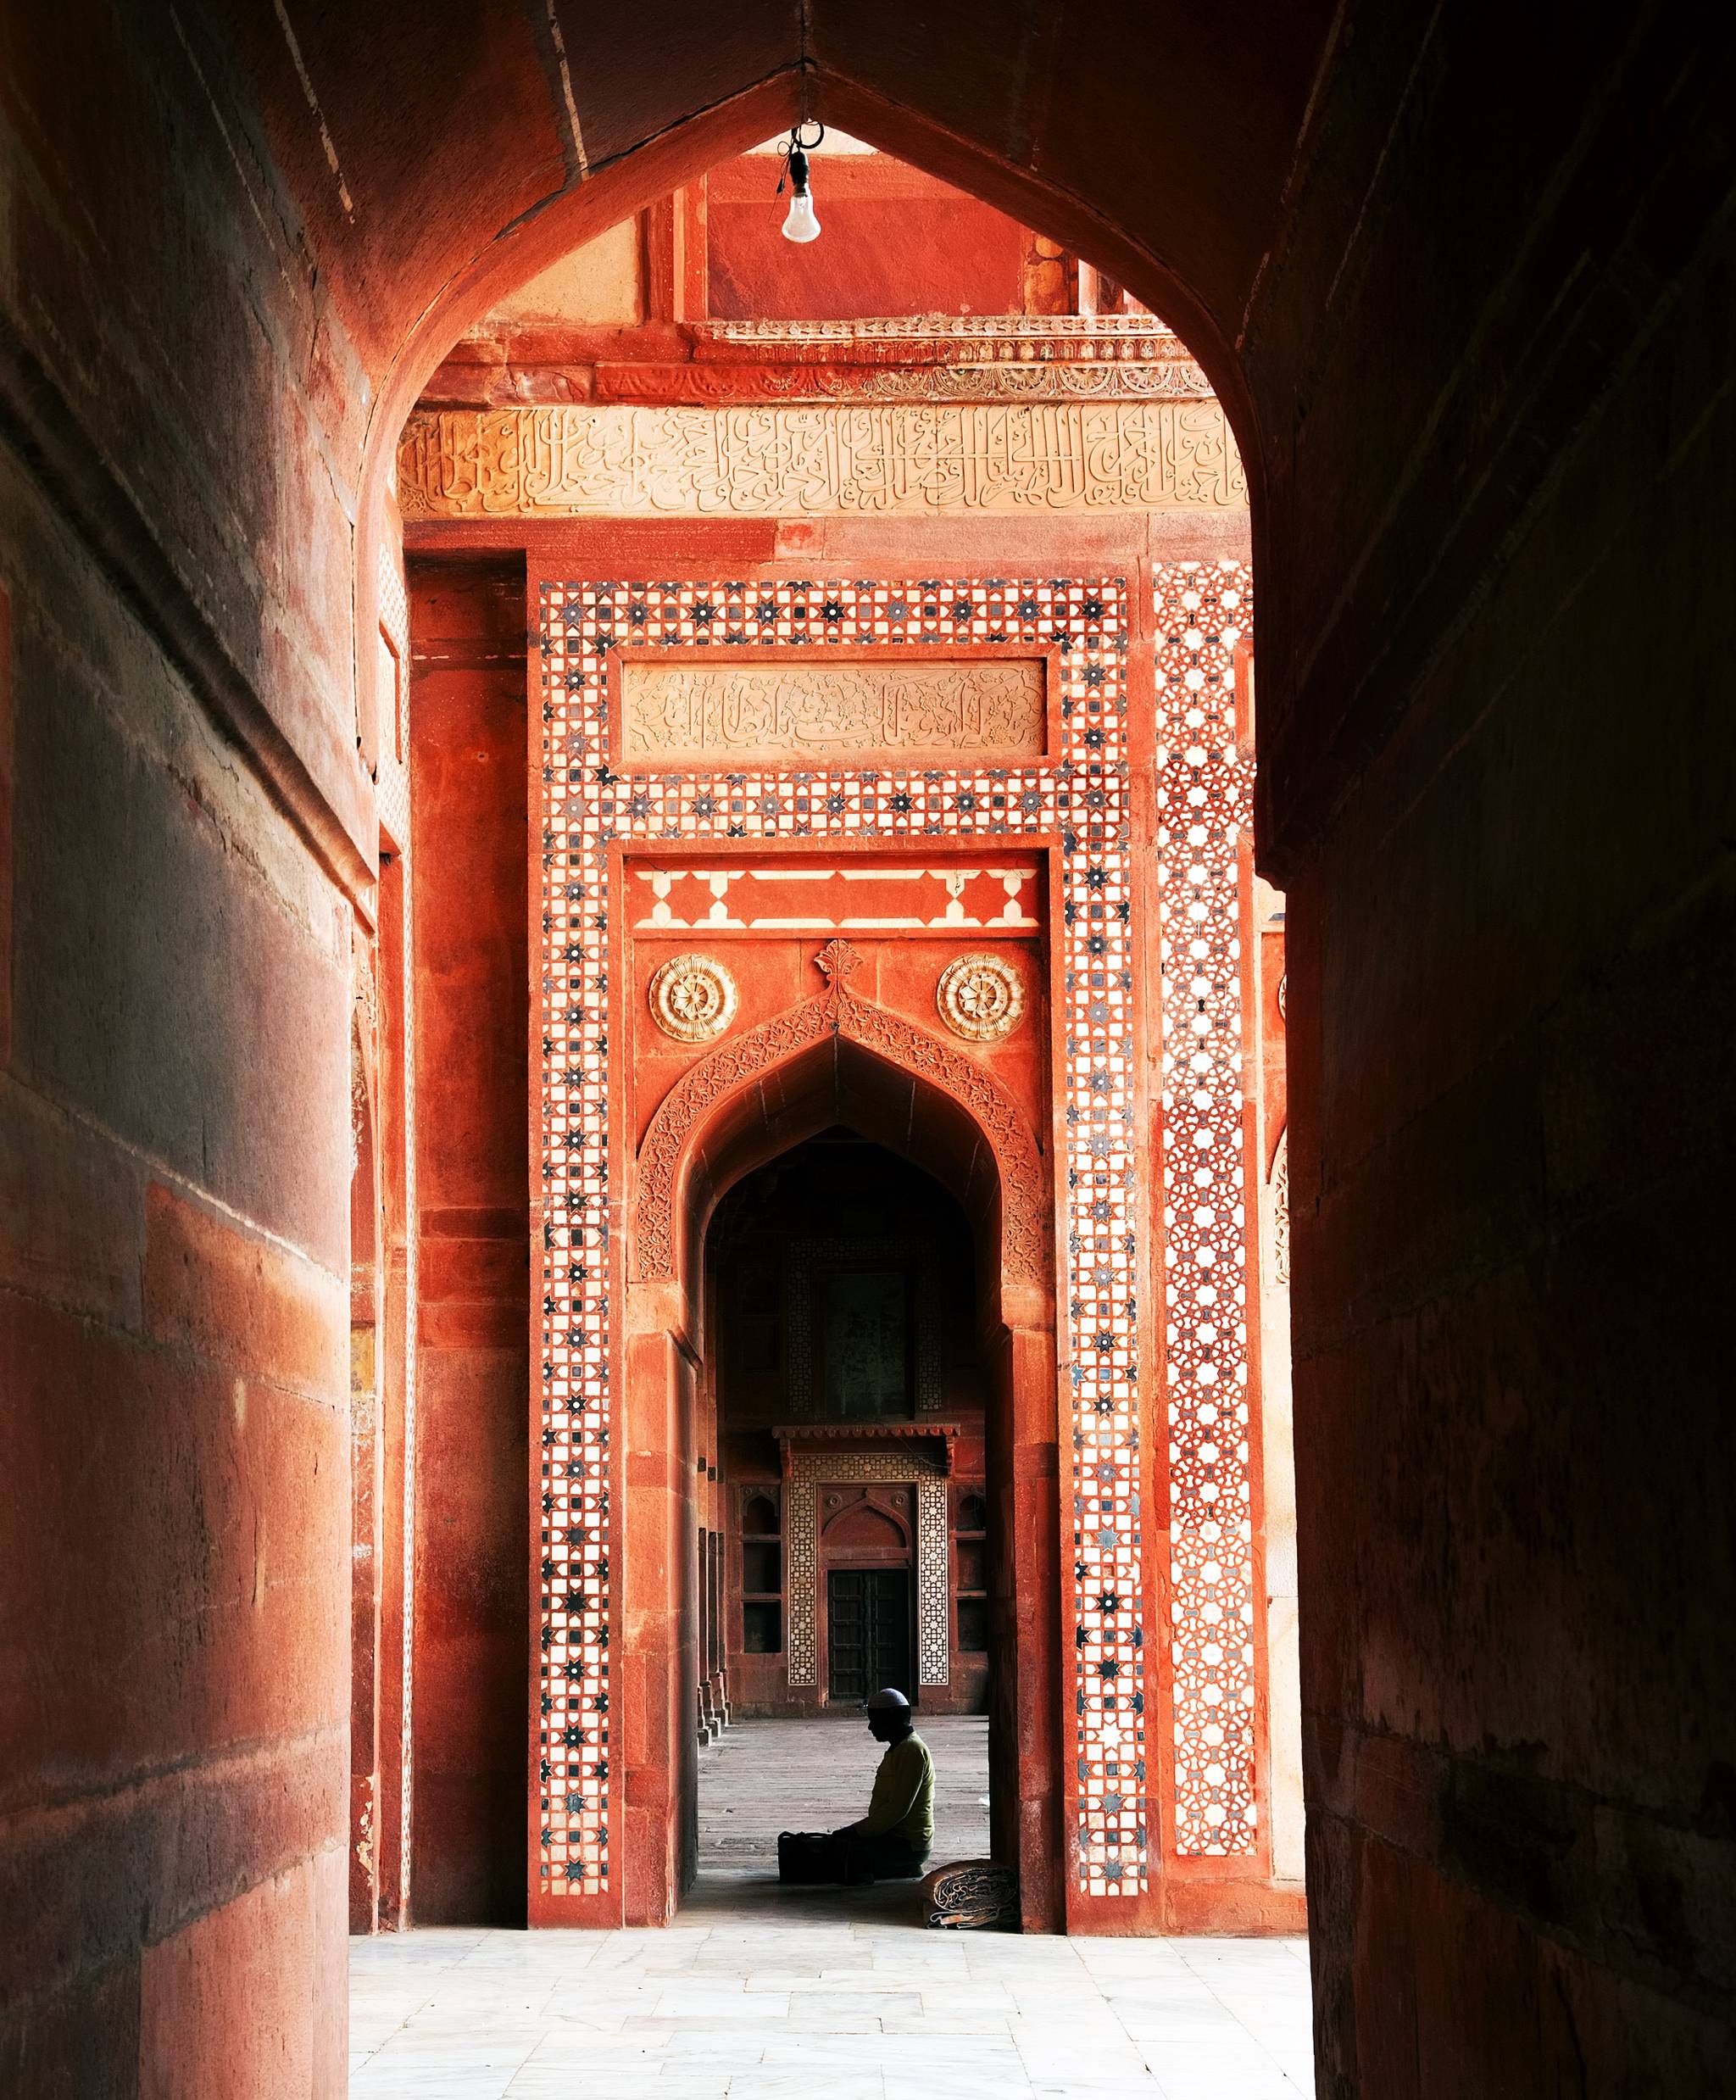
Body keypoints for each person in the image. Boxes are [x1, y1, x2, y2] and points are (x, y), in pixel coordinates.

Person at [831, 1686, 934, 1884]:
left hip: (908, 1844)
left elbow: (897, 1810)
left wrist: (855, 1831)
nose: (871, 1727)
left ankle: (904, 1865)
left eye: (874, 1720)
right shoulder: (900, 1749)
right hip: (891, 1836)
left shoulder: (912, 1751)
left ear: (893, 1717)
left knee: (841, 1856)